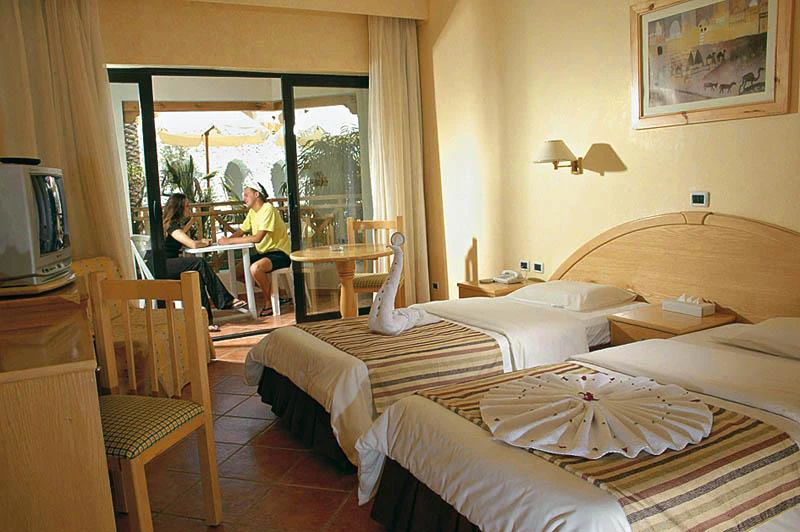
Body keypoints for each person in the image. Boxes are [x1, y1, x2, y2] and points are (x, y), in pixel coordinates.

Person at [155, 193, 246, 331]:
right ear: (179, 208)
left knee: (197, 275)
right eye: (187, 206)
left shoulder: (170, 224)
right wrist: (204, 242)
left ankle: (206, 321)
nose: (189, 209)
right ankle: (225, 300)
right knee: (199, 262)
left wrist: (199, 242)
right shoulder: (171, 226)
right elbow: (192, 245)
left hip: (164, 264)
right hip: (161, 266)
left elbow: (185, 242)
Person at [218, 179, 291, 316]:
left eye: (246, 195)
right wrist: (225, 241)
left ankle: (269, 302)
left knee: (255, 268)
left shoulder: (268, 209)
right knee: (238, 272)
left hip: (280, 253)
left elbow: (258, 238)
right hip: (264, 254)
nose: (244, 198)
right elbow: (241, 231)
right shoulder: (252, 212)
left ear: (257, 194)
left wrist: (230, 241)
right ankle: (276, 295)